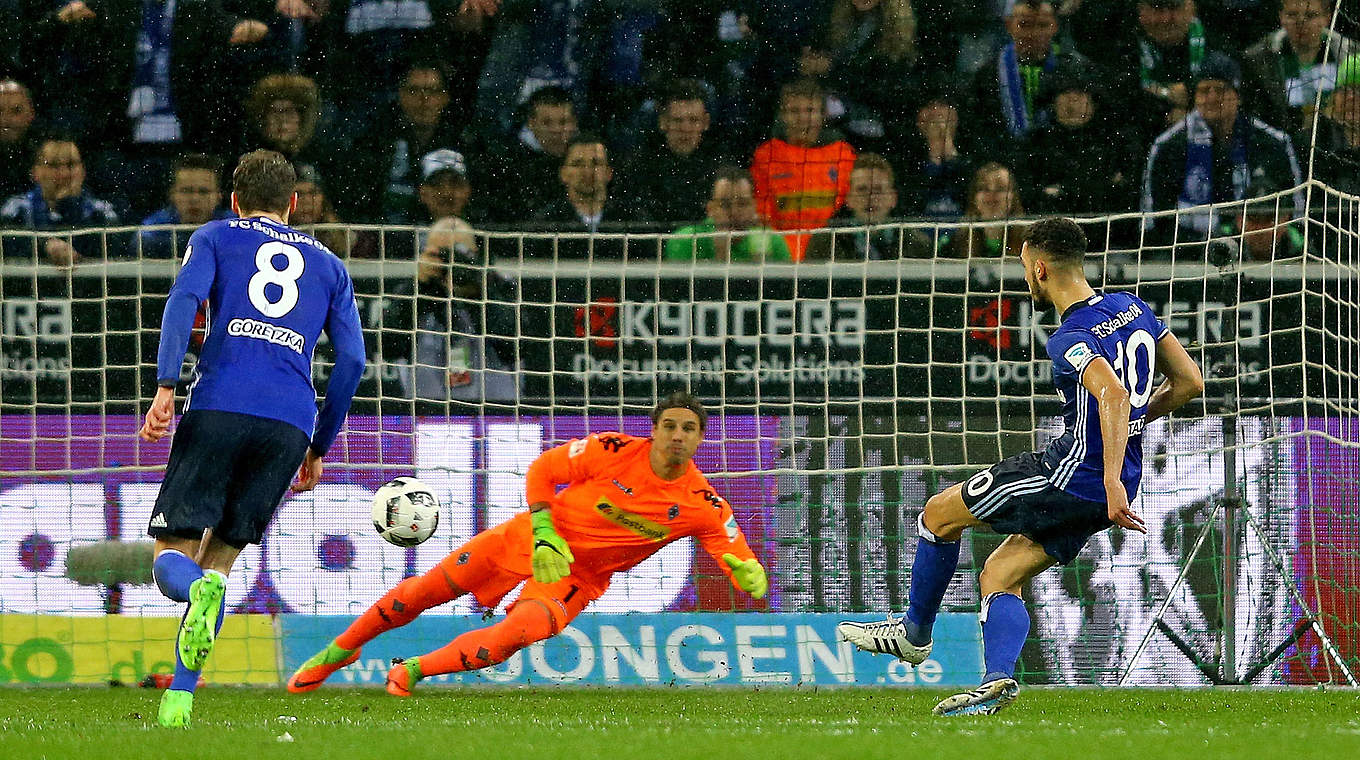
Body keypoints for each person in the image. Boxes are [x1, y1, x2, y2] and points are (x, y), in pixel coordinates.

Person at [838, 217, 1205, 716]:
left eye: (1023, 268)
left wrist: (1111, 473)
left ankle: (914, 635)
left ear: (1039, 267)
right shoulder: (1132, 307)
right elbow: (1188, 382)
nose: (1024, 278)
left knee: (937, 515)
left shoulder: (1070, 336)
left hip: (1074, 473)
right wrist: (1131, 436)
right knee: (1001, 571)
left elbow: (1114, 394)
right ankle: (996, 682)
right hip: (1111, 485)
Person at [286, 391, 769, 696]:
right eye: (670, 425)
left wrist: (749, 572)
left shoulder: (703, 503)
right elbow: (543, 470)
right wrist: (544, 533)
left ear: (702, 438)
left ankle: (413, 669)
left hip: (576, 578)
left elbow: (734, 552)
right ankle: (341, 650)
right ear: (654, 428)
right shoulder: (613, 450)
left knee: (511, 639)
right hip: (526, 538)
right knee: (425, 592)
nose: (678, 436)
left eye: (689, 429)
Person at [136, 149, 365, 728]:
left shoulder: (215, 235)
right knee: (221, 563)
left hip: (220, 403)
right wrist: (320, 443)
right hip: (289, 421)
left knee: (173, 560)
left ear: (234, 200)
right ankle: (179, 700)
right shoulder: (332, 266)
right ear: (293, 203)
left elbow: (184, 301)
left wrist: (166, 383)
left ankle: (196, 596)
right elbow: (352, 363)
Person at [1141, 53, 1304, 244]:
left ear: (1238, 96)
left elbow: (1297, 210)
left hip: (1258, 249)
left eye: (1220, 90)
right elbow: (1153, 219)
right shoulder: (1169, 146)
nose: (1211, 98)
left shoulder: (1272, 143)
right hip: (1186, 254)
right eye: (1203, 90)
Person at [749, 77, 857, 259]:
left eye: (810, 110)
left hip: (832, 251)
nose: (802, 118)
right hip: (782, 254)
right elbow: (763, 214)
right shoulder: (766, 156)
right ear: (783, 115)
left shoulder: (843, 155)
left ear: (822, 115)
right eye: (794, 111)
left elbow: (850, 208)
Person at [614, 79, 728, 224]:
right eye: (678, 120)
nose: (685, 129)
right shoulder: (638, 168)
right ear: (663, 122)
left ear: (705, 123)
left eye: (693, 120)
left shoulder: (720, 168)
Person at [1242, 0, 1358, 138]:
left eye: (1310, 15)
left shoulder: (1351, 53)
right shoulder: (1259, 60)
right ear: (1281, 17)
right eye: (1292, 15)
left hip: (1339, 143)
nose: (1301, 23)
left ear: (1327, 18)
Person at [1, 135, 120, 263]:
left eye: (71, 165)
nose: (64, 174)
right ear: (35, 172)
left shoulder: (102, 211)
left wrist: (71, 205)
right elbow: (7, 243)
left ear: (83, 170)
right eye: (54, 165)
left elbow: (115, 247)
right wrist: (44, 245)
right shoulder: (16, 208)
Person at [664, 166, 792, 262]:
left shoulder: (773, 241)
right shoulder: (685, 241)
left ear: (754, 206)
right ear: (710, 209)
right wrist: (721, 255)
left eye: (742, 204)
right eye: (725, 205)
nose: (734, 212)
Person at [138, 153, 232, 259]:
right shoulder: (152, 233)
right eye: (186, 191)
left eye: (204, 191)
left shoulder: (235, 228)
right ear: (172, 195)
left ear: (219, 197)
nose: (194, 199)